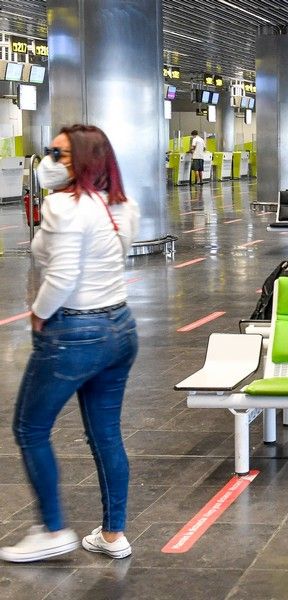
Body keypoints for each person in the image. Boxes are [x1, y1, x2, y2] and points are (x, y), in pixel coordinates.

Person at [0, 125, 140, 563]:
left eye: (59, 155)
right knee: (106, 434)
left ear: (81, 161)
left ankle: (52, 529)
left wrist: (39, 313)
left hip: (74, 332)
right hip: (120, 329)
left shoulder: (65, 206)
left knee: (30, 427)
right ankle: (113, 534)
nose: (49, 162)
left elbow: (61, 277)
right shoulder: (121, 204)